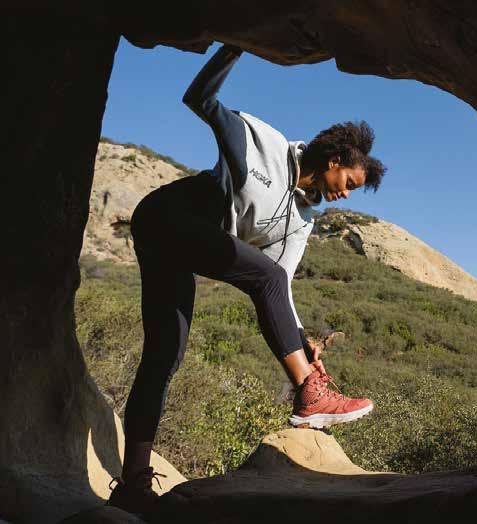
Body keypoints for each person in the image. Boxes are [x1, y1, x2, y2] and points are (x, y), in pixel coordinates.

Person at [107, 43, 387, 514]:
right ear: (334, 160)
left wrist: (301, 339)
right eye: (349, 184)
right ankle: (310, 394)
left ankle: (132, 483)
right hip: (165, 216)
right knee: (262, 277)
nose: (346, 195)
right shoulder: (263, 143)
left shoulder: (302, 220)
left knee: (164, 356)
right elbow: (200, 99)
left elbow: (280, 287)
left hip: (186, 248)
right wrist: (235, 43)